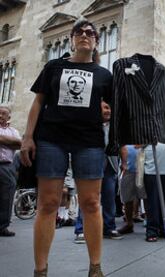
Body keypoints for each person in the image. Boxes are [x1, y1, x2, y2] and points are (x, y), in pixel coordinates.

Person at [21, 19, 111, 277]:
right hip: (52, 139)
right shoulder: (54, 67)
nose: (85, 35)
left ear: (96, 40)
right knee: (48, 203)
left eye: (90, 32)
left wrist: (109, 112)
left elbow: (113, 109)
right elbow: (38, 103)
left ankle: (95, 268)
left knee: (91, 203)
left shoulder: (105, 75)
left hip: (89, 141)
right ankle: (40, 270)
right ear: (71, 39)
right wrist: (28, 137)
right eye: (79, 32)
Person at [74, 102, 123, 243]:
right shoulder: (89, 124)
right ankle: (81, 229)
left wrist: (123, 163)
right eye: (104, 108)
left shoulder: (115, 127)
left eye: (109, 108)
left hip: (111, 166)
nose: (108, 111)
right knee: (88, 197)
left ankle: (109, 227)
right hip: (91, 162)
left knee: (109, 197)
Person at [0, 105, 21, 237]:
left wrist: (3, 140)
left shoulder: (13, 130)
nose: (0, 116)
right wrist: (9, 142)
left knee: (6, 197)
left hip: (7, 166)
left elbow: (19, 144)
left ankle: (2, 227)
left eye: (3, 114)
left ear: (9, 117)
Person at [117, 144, 146, 235]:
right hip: (128, 169)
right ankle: (129, 224)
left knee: (145, 197)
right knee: (127, 198)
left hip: (143, 168)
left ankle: (150, 223)